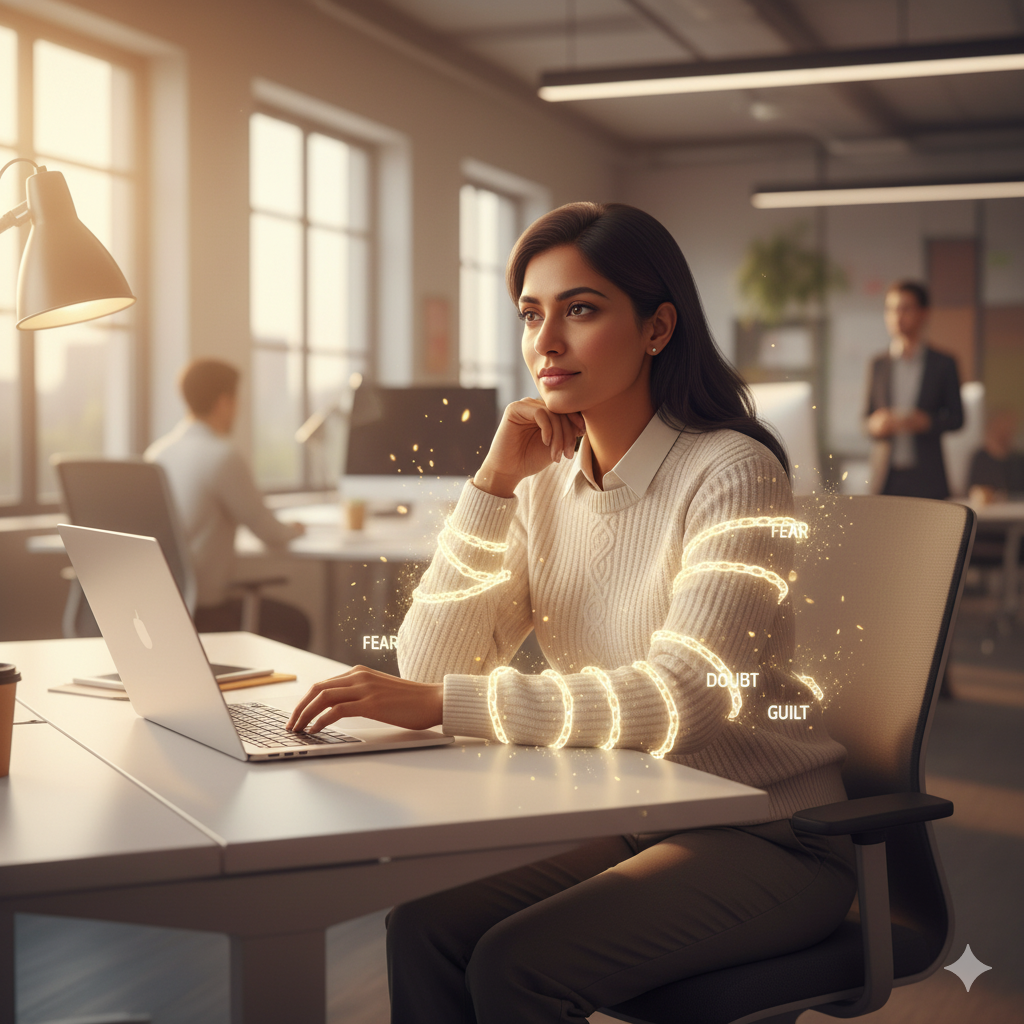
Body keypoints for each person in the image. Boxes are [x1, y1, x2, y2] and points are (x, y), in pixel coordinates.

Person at [287, 203, 855, 1023]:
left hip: (772, 837)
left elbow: (682, 699)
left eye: (579, 310)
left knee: (517, 967)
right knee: (423, 929)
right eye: (530, 314)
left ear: (658, 328)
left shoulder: (735, 472)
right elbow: (427, 664)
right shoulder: (546, 481)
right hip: (637, 814)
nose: (545, 342)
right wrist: (489, 488)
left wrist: (449, 707)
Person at [145, 358, 311, 649]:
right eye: (237, 402)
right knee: (298, 624)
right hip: (206, 611)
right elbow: (269, 533)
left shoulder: (157, 454)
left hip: (163, 606)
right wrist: (296, 529)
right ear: (224, 402)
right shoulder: (222, 457)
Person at [864, 281, 963, 498]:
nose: (897, 316)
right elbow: (865, 418)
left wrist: (927, 422)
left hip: (927, 476)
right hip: (885, 477)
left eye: (905, 308)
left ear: (924, 313)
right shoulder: (878, 364)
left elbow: (958, 418)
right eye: (891, 309)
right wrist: (875, 424)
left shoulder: (943, 363)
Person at [968, 410, 1024, 504]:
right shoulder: (980, 458)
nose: (1007, 431)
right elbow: (974, 489)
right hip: (988, 512)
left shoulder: (1018, 459)